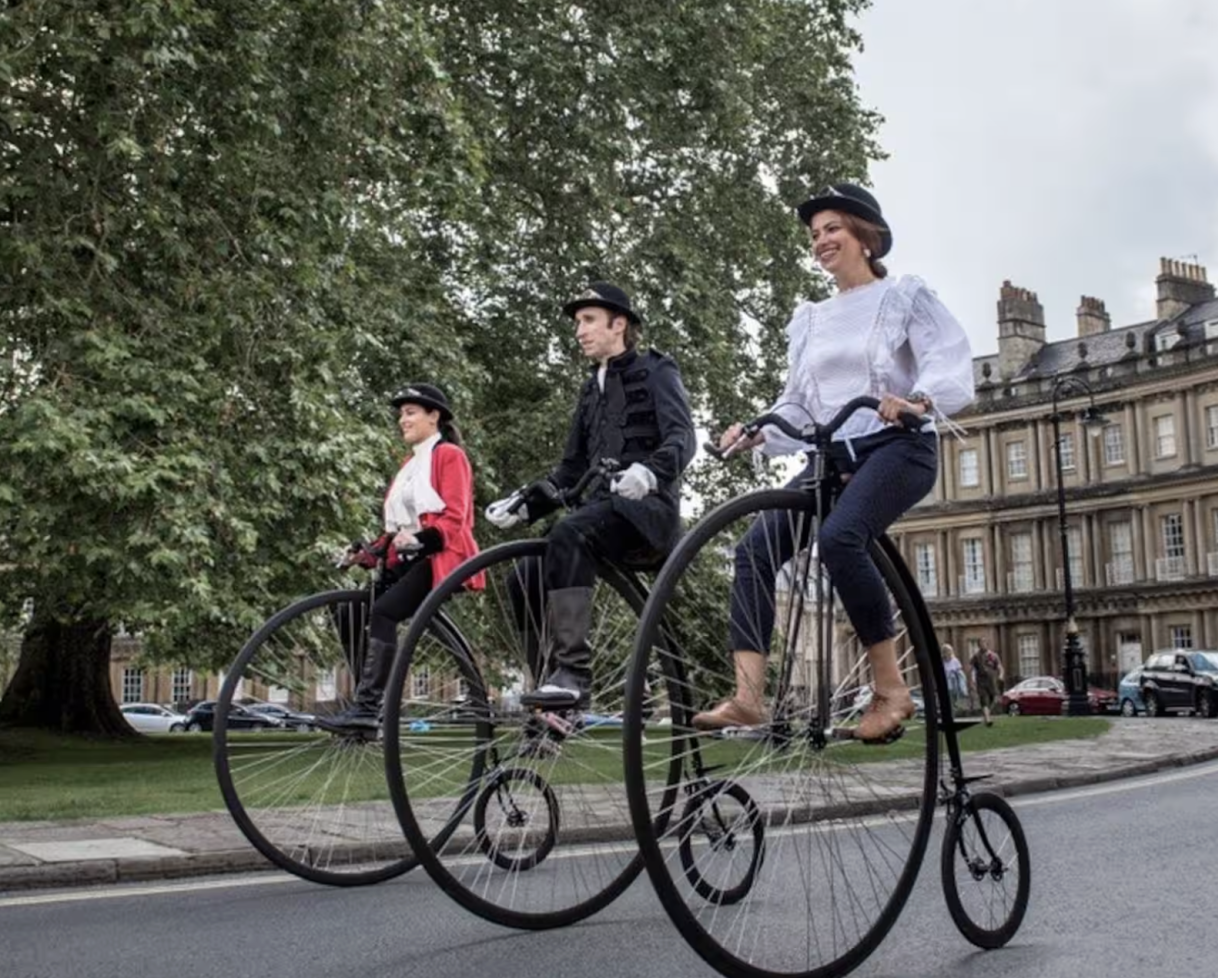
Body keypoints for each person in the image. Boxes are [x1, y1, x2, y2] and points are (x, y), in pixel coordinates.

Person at [694, 183, 975, 741]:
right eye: (815, 234)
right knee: (754, 550)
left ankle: (891, 689)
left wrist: (917, 400)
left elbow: (949, 361)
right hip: (834, 455)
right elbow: (799, 399)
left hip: (898, 447)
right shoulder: (813, 319)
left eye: (832, 229)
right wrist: (758, 430)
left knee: (843, 538)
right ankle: (749, 697)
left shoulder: (903, 297)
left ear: (865, 237)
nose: (821, 241)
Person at [485, 282, 696, 710]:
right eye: (578, 322)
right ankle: (551, 686)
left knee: (570, 533)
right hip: (599, 516)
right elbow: (572, 469)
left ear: (618, 324)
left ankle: (575, 674)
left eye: (588, 321)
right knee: (524, 573)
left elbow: (683, 438)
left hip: (645, 517)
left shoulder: (657, 371)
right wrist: (526, 502)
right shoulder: (590, 389)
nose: (579, 331)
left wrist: (650, 473)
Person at [321, 384, 483, 730]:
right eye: (401, 414)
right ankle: (368, 692)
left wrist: (421, 540)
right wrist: (369, 552)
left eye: (410, 412)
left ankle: (369, 707)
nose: (402, 420)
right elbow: (398, 528)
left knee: (384, 611)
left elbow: (456, 517)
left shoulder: (449, 456)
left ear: (433, 416)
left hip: (441, 556)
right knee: (348, 610)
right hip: (407, 558)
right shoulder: (410, 464)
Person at [969, 638, 1003, 727]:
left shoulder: (994, 655)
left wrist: (1001, 675)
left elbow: (999, 667)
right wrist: (971, 681)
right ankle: (988, 720)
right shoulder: (976, 656)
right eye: (980, 643)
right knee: (984, 699)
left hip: (991, 681)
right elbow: (971, 669)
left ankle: (986, 715)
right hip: (981, 681)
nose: (982, 645)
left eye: (984, 643)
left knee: (993, 699)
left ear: (987, 644)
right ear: (978, 645)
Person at [942, 643, 968, 713]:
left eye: (950, 651)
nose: (949, 653)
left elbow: (959, 670)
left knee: (954, 693)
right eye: (947, 651)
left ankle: (954, 705)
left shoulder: (955, 660)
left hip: (954, 680)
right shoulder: (942, 662)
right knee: (948, 694)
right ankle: (951, 707)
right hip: (946, 681)